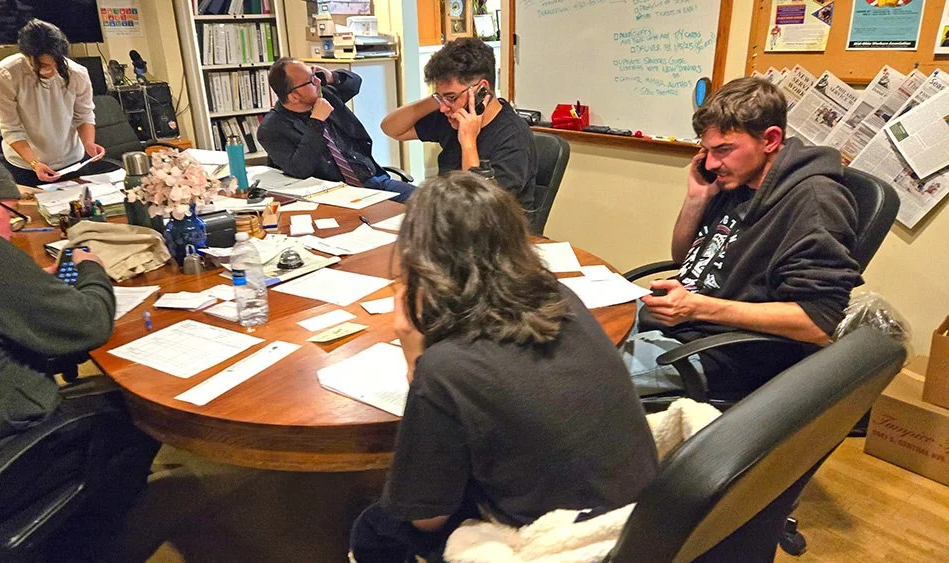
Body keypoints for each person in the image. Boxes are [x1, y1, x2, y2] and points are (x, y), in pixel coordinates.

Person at [349, 171, 657, 562]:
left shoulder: (446, 368)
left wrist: (415, 356)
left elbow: (426, 517)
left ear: (421, 263)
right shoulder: (560, 296)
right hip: (639, 512)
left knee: (375, 528)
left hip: (564, 536)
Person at [0, 144, 157, 556]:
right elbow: (90, 324)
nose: (11, 228)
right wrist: (90, 267)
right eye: (11, 213)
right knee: (139, 411)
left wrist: (23, 285)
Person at [622, 77, 861, 396]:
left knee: (571, 377)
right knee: (566, 327)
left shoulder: (815, 202)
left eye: (723, 149)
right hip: (677, 321)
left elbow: (818, 321)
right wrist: (696, 199)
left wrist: (696, 308)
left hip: (718, 351)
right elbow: (685, 260)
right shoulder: (736, 181)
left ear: (771, 140)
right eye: (705, 150)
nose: (710, 163)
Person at [380, 38, 538, 211]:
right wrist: (438, 99)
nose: (443, 108)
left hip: (493, 232)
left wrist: (468, 142)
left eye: (451, 97)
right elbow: (391, 128)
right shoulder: (451, 116)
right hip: (449, 221)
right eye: (441, 97)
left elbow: (479, 212)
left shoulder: (514, 137)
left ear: (481, 90)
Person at [257, 58, 414, 203]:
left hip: (373, 181)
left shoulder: (326, 95)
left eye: (314, 75)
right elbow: (300, 169)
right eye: (311, 81)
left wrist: (332, 76)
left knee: (430, 205)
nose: (318, 81)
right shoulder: (271, 129)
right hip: (335, 196)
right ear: (294, 97)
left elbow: (355, 83)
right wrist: (316, 123)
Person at [0, 19, 107, 186]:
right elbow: (11, 127)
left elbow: (84, 114)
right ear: (28, 56)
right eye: (45, 65)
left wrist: (88, 143)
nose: (52, 70)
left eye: (57, 63)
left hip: (72, 161)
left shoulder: (77, 73)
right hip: (26, 166)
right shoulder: (6, 74)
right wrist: (34, 163)